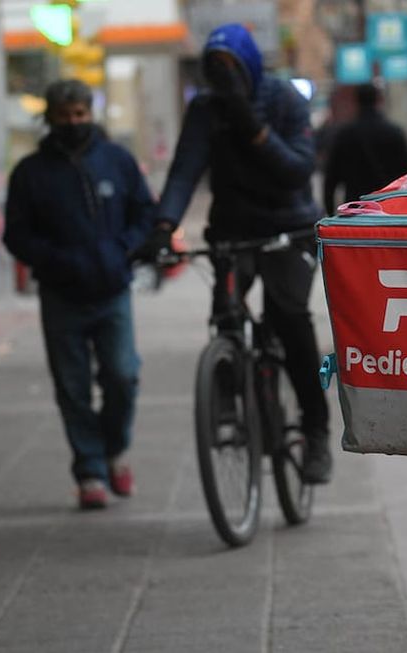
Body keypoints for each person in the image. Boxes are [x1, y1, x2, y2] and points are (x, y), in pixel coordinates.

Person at [140, 24, 332, 484]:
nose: (221, 80)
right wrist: (164, 227)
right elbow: (185, 170)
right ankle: (227, 392)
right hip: (233, 226)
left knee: (287, 315)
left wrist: (250, 122)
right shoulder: (206, 108)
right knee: (226, 311)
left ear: (247, 66)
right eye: (214, 70)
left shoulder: (283, 98)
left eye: (230, 69)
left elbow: (296, 170)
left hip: (289, 228)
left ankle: (315, 427)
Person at [3, 79, 157, 510]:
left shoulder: (117, 161)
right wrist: (54, 260)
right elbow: (16, 235)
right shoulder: (30, 173)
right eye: (64, 116)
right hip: (61, 296)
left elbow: (144, 212)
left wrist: (123, 248)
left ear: (91, 114)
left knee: (123, 376)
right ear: (49, 118)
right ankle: (90, 469)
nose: (73, 123)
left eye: (80, 115)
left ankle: (114, 450)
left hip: (112, 292)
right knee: (72, 387)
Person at [323, 83, 407, 215]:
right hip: (389, 208)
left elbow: (330, 180)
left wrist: (330, 213)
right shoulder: (394, 133)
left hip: (355, 208)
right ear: (379, 100)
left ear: (356, 101)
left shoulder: (344, 135)